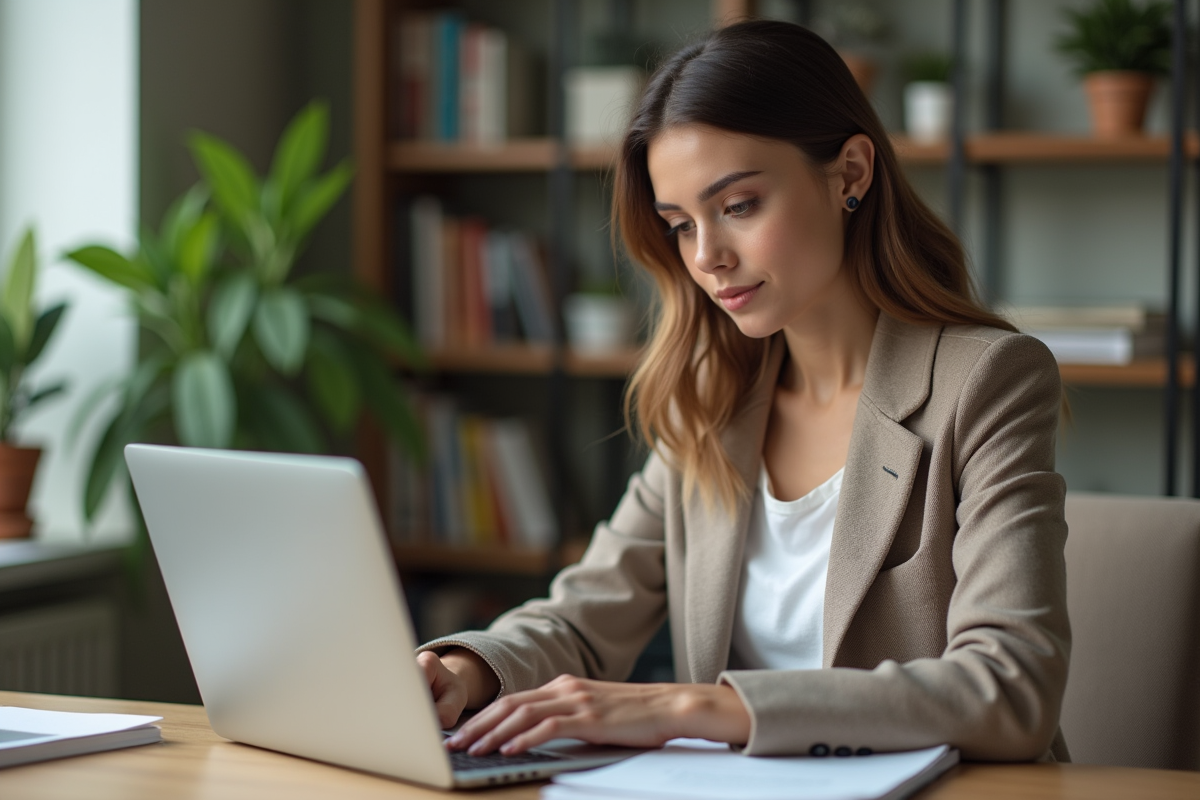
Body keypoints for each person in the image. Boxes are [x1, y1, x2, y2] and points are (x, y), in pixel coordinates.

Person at [416, 19, 1070, 762]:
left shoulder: (985, 380)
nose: (708, 257)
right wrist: (465, 672)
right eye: (680, 225)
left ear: (851, 173)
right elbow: (585, 618)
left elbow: (1012, 686)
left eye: (739, 205)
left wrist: (694, 706)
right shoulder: (711, 399)